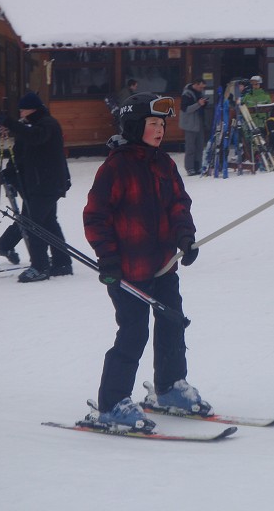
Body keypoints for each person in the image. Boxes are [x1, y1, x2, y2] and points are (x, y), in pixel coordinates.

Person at [83, 92, 211, 429]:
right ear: (135, 125)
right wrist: (108, 258)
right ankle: (112, 403)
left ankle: (169, 388)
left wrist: (185, 236)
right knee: (134, 332)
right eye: (153, 123)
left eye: (162, 123)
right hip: (127, 271)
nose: (160, 129)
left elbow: (179, 204)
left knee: (172, 323)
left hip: (163, 265)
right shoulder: (115, 168)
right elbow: (96, 217)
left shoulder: (163, 163)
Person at [0, 92, 72, 281]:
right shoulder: (28, 128)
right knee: (48, 223)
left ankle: (40, 267)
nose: (21, 112)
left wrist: (11, 123)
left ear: (33, 109)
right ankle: (62, 262)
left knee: (32, 224)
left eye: (23, 108)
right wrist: (8, 174)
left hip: (47, 184)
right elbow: (21, 156)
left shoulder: (47, 124)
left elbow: (36, 137)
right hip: (38, 185)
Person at [179, 78, 208, 176]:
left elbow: (202, 106)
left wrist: (204, 104)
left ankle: (198, 166)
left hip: (199, 123)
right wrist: (198, 104)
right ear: (196, 84)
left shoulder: (201, 93)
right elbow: (186, 109)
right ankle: (189, 168)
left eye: (203, 87)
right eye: (200, 87)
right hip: (190, 124)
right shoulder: (186, 94)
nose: (201, 89)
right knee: (190, 147)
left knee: (200, 147)